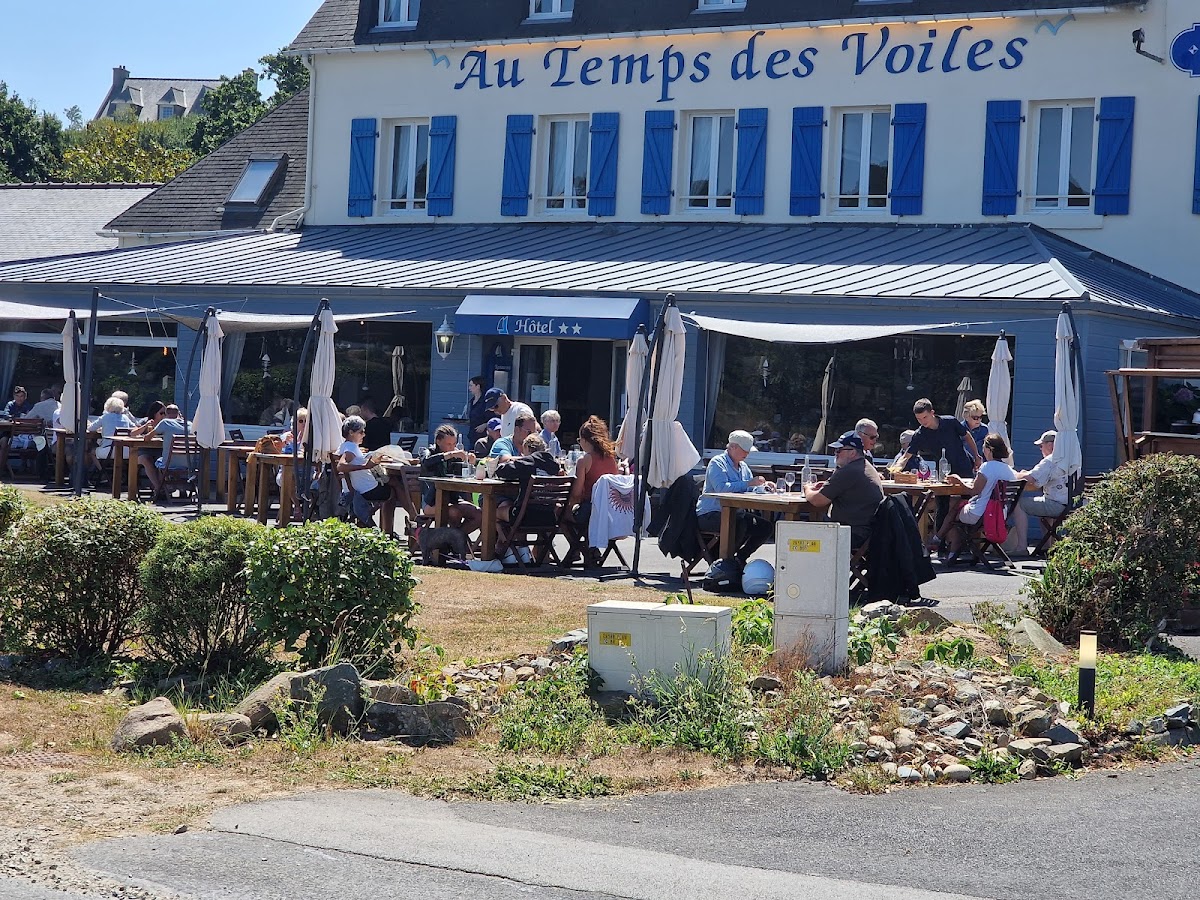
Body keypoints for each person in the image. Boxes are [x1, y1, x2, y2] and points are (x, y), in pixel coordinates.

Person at [695, 430, 774, 566]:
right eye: (744, 450)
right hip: (710, 514)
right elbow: (721, 488)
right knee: (739, 523)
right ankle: (724, 561)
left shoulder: (744, 467)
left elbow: (750, 488)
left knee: (765, 527)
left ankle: (739, 558)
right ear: (732, 447)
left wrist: (764, 487)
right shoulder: (717, 463)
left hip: (735, 514)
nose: (747, 453)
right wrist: (749, 483)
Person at [937, 434, 1017, 564]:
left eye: (984, 447)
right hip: (1000, 514)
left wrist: (958, 480)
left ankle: (945, 544)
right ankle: (943, 542)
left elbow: (974, 491)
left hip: (982, 514)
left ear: (989, 450)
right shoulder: (1009, 470)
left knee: (954, 506)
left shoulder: (987, 467)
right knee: (959, 507)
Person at [803, 431, 884, 549]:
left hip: (851, 533)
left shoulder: (849, 471)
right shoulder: (863, 466)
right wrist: (826, 486)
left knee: (800, 539)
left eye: (839, 450)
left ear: (852, 452)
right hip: (867, 533)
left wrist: (807, 488)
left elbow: (817, 500)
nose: (835, 453)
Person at [494, 432, 561, 564]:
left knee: (493, 513)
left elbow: (502, 471)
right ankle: (521, 550)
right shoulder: (555, 466)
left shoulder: (528, 463)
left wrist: (514, 461)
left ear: (528, 448)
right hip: (549, 517)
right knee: (514, 509)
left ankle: (506, 549)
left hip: (526, 516)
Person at [337, 415, 400, 532]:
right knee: (394, 491)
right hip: (365, 490)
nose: (364, 435)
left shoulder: (345, 446)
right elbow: (341, 466)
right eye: (361, 432)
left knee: (393, 484)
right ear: (351, 433)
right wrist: (365, 466)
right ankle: (387, 529)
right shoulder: (350, 449)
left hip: (354, 490)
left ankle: (369, 518)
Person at [1011, 430, 1069, 552]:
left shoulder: (1051, 460)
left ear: (1051, 445)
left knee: (1018, 504)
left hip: (1057, 505)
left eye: (1041, 446)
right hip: (1069, 504)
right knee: (1042, 505)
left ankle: (1021, 547)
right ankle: (1049, 547)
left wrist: (1017, 474)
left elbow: (1031, 478)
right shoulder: (1069, 459)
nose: (1040, 449)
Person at [420, 424, 481, 537]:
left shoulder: (455, 456)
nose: (452, 447)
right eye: (448, 444)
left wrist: (470, 462)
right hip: (431, 501)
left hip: (454, 499)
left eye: (454, 444)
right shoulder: (429, 451)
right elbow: (426, 462)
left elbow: (464, 474)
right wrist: (448, 455)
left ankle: (452, 539)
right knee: (454, 513)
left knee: (479, 514)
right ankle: (450, 542)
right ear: (438, 441)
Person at [566, 415, 619, 531]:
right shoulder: (611, 459)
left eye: (579, 440)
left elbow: (576, 494)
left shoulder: (584, 460)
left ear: (585, 440)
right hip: (609, 511)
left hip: (590, 510)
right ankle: (586, 541)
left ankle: (576, 543)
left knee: (559, 511)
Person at [133, 403, 191, 499]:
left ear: (166, 414)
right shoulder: (190, 424)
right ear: (178, 414)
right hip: (188, 464)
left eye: (164, 413)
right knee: (160, 459)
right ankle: (179, 489)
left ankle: (160, 490)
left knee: (162, 462)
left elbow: (147, 438)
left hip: (169, 463)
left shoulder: (165, 423)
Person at [86, 395, 136, 477]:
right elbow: (135, 428)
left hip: (109, 450)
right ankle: (119, 476)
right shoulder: (125, 418)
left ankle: (103, 474)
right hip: (126, 450)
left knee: (92, 452)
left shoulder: (105, 417)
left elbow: (90, 428)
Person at [464, 375, 490, 443]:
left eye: (471, 385)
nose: (469, 388)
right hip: (472, 435)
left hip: (483, 437)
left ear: (478, 386)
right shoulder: (472, 401)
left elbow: (494, 417)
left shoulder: (485, 402)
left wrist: (485, 425)